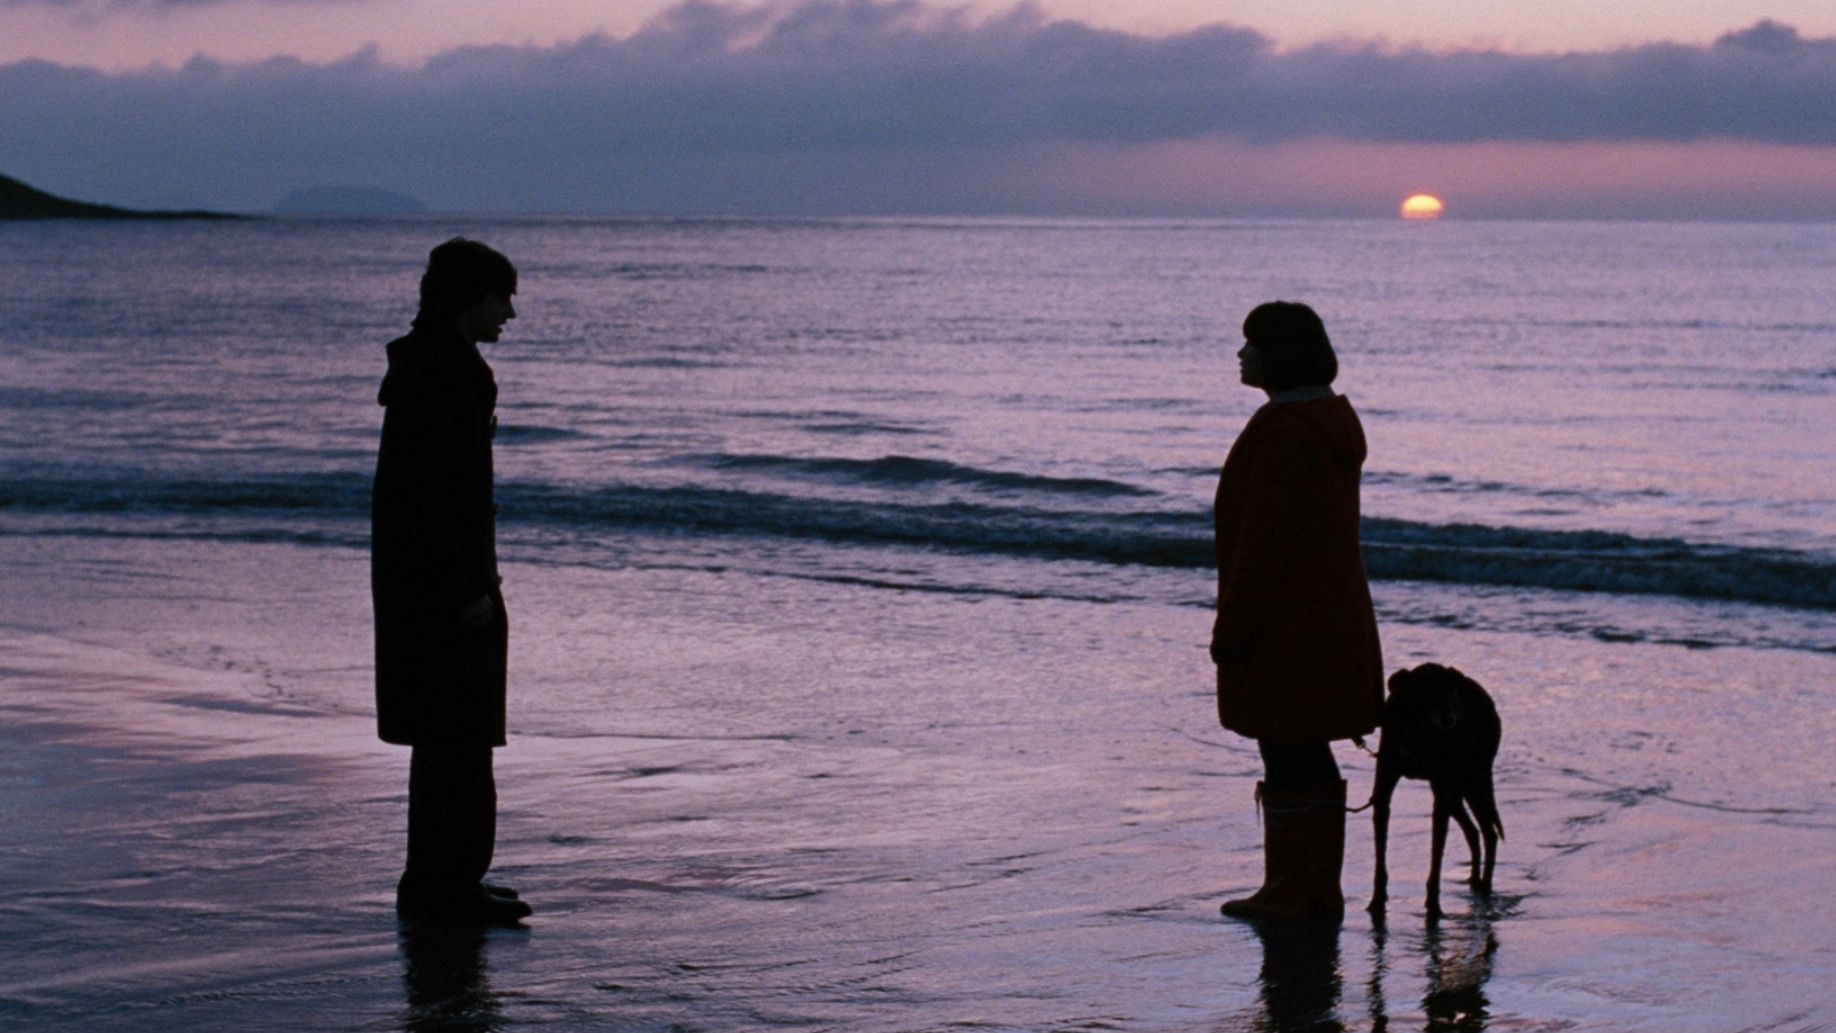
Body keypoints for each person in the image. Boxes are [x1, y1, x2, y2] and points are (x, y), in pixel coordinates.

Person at [373, 237, 531, 924]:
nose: (510, 314)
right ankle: (448, 884)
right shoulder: (446, 372)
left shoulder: (429, 364)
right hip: (445, 585)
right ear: (471, 297)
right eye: (502, 298)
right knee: (458, 738)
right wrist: (469, 585)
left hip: (424, 579)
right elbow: (445, 492)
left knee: (447, 739)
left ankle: (442, 879)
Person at [1211, 300, 1383, 922]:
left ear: (1278, 355)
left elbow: (1264, 541)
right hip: (1327, 613)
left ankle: (1293, 889)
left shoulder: (1285, 431)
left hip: (1287, 622)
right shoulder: (1325, 419)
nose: (1241, 354)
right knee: (1304, 748)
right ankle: (1313, 890)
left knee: (1287, 748)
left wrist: (1233, 627)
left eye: (1252, 343)